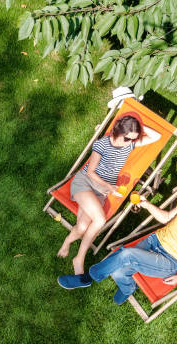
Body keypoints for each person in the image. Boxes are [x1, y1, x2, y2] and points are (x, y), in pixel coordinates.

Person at [57, 186, 177, 305]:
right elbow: (166, 217)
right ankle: (128, 288)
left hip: (170, 261)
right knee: (118, 271)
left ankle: (87, 278)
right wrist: (146, 204)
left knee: (126, 255)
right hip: (155, 240)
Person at [56, 113, 162, 276]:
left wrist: (136, 126)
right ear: (117, 132)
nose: (130, 142)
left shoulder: (130, 144)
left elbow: (157, 136)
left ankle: (67, 242)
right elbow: (90, 173)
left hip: (100, 190)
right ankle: (79, 259)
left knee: (83, 227)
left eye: (133, 139)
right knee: (99, 220)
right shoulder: (101, 145)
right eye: (127, 138)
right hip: (84, 182)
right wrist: (111, 188)